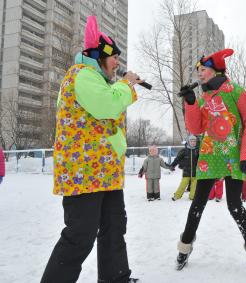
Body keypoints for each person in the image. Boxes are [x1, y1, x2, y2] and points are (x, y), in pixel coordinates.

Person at [41, 16, 141, 283]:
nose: (118, 63)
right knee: (80, 235)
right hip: (83, 174)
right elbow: (107, 105)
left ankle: (115, 277)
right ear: (98, 56)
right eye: (114, 57)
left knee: (114, 227)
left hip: (103, 173)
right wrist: (126, 84)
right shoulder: (82, 75)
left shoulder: (97, 80)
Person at [175, 48, 246, 282]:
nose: (199, 74)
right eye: (198, 71)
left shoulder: (235, 91)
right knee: (197, 204)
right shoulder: (203, 96)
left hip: (234, 155)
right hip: (209, 155)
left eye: (202, 70)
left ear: (215, 69)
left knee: (235, 205)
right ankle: (185, 246)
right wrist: (191, 103)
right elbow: (196, 129)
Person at [169, 135, 199, 201]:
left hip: (195, 172)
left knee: (194, 186)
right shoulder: (184, 150)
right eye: (191, 141)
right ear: (188, 142)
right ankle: (177, 195)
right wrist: (172, 165)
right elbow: (177, 159)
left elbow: (201, 160)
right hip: (186, 171)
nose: (193, 142)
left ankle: (192, 196)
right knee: (183, 184)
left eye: (194, 141)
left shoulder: (197, 151)